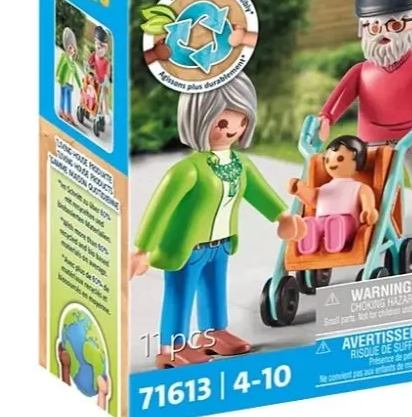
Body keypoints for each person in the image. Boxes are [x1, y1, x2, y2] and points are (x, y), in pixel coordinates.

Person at [129, 73, 306, 368]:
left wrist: (282, 216)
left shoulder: (240, 164)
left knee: (214, 288)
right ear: (198, 120)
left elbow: (259, 192)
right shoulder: (187, 170)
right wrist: (141, 249)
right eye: (222, 123)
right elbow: (159, 208)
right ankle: (172, 347)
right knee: (180, 294)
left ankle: (212, 333)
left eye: (241, 121)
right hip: (187, 248)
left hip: (221, 244)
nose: (232, 130)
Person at [318, 0, 412, 252]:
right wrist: (325, 118)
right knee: (374, 185)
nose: (384, 33)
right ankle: (381, 227)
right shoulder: (360, 70)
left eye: (395, 24)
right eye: (374, 27)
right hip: (371, 139)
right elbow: (337, 101)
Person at [287, 135, 378, 254]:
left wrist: (368, 211)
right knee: (310, 222)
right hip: (322, 220)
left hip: (347, 221)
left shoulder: (359, 187)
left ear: (358, 162)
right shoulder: (325, 188)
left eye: (340, 159)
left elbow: (367, 201)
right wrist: (299, 189)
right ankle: (309, 244)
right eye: (328, 160)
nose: (332, 163)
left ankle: (335, 240)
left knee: (337, 222)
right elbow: (313, 198)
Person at [55, 27, 80, 124]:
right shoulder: (64, 57)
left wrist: (80, 85)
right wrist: (57, 75)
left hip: (70, 83)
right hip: (64, 81)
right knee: (63, 95)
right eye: (70, 48)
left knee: (69, 98)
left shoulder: (72, 61)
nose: (72, 50)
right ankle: (62, 111)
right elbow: (59, 66)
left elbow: (76, 73)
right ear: (67, 47)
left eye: (73, 48)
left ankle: (69, 113)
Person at [86, 25, 111, 121]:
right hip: (95, 80)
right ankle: (96, 110)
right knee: (94, 95)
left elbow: (107, 73)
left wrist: (106, 83)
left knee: (104, 97)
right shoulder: (94, 55)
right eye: (97, 44)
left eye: (102, 46)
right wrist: (89, 68)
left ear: (105, 48)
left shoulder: (106, 61)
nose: (98, 47)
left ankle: (106, 114)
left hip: (103, 82)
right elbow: (89, 63)